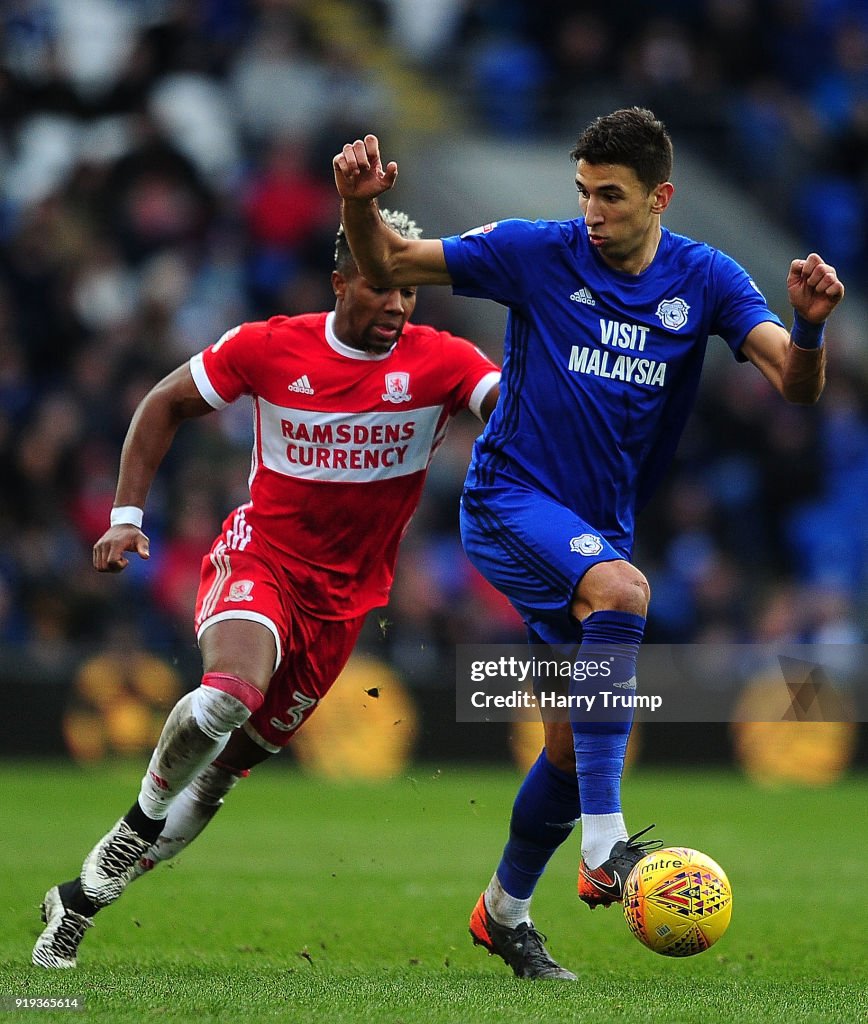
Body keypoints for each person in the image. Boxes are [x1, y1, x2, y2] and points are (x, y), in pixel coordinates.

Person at [332, 108, 845, 981]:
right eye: (584, 193)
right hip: (507, 500)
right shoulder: (536, 250)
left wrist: (809, 326)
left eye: (611, 195)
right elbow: (388, 261)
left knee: (571, 750)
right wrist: (355, 206)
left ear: (661, 198)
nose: (592, 211)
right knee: (626, 594)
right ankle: (607, 847)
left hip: (594, 524)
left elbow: (795, 388)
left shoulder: (708, 279)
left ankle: (503, 912)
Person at [32, 209, 500, 970]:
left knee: (219, 779)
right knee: (228, 696)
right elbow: (164, 403)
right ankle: (131, 834)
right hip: (261, 562)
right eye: (382, 287)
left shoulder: (443, 361)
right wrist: (125, 516)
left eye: (410, 290)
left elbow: (503, 406)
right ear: (342, 281)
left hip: (344, 607)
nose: (397, 306)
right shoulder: (272, 346)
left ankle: (81, 896)